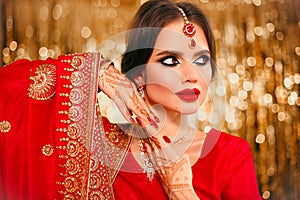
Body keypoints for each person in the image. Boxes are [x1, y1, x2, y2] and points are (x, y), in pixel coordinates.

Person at [0, 1, 261, 200]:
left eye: (202, 60)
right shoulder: (96, 145)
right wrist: (97, 72)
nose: (192, 75)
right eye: (170, 60)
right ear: (139, 73)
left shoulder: (229, 156)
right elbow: (9, 93)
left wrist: (182, 193)